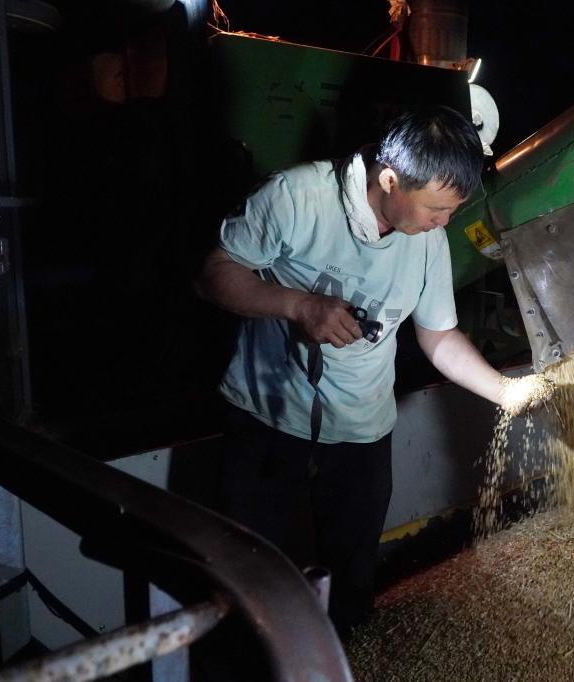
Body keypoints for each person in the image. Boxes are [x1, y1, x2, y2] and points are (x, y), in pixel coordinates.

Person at [195, 105, 552, 637]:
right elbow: (214, 274)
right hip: (267, 422)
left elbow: (438, 336)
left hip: (362, 437)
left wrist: (507, 391)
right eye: (437, 209)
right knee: (252, 588)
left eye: (452, 211)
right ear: (389, 180)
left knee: (351, 588)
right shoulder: (297, 197)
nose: (444, 223)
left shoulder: (427, 238)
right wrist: (299, 306)